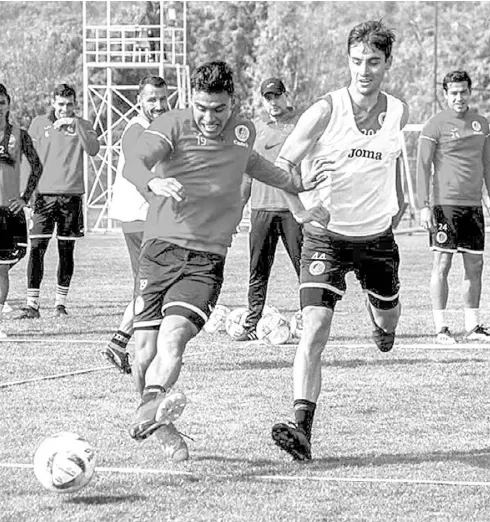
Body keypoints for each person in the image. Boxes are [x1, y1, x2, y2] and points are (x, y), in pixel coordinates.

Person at [122, 61, 330, 461]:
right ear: (191, 101)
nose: (208, 117)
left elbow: (252, 164)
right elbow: (135, 161)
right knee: (143, 353)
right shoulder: (172, 125)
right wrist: (153, 181)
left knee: (174, 336)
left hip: (205, 257)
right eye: (201, 107)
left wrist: (296, 185)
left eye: (218, 109)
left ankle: (152, 402)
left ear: (232, 103)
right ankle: (157, 420)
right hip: (159, 250)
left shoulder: (242, 129)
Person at [270, 20, 409, 461]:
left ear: (388, 62)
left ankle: (381, 324)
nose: (363, 71)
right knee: (314, 328)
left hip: (376, 239)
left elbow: (394, 164)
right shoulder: (326, 110)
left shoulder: (400, 112)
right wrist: (300, 204)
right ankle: (301, 428)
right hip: (325, 238)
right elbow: (281, 166)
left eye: (372, 62)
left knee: (388, 318)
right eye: (355, 62)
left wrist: (401, 204)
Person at [416, 70, 490, 345]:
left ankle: (473, 326)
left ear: (470, 92)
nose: (459, 97)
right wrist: (423, 206)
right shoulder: (434, 125)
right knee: (442, 263)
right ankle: (441, 329)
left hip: (473, 207)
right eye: (453, 93)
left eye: (463, 92)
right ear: (445, 95)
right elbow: (423, 166)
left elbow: (488, 165)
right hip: (444, 206)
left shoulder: (481, 124)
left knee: (475, 264)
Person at [104, 75, 169, 374]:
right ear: (140, 101)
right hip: (140, 217)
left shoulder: (157, 128)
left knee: (153, 283)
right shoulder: (136, 131)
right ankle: (122, 343)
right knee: (150, 285)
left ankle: (123, 342)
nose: (158, 104)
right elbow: (134, 169)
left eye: (162, 98)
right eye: (151, 99)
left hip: (148, 216)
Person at [20, 84, 99, 319]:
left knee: (66, 250)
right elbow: (29, 159)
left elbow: (94, 149)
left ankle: (60, 304)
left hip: (72, 197)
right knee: (36, 249)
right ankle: (32, 305)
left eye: (70, 105)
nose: (65, 109)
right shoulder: (39, 124)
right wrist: (27, 195)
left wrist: (76, 126)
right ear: (53, 103)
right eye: (61, 104)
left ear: (75, 105)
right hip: (43, 197)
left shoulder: (83, 125)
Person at [236, 78, 303, 341]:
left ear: (286, 96)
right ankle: (251, 323)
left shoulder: (299, 126)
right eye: (268, 97)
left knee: (305, 268)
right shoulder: (254, 130)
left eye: (277, 96)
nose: (273, 102)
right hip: (261, 210)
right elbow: (246, 175)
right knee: (258, 270)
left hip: (292, 210)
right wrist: (238, 209)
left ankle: (311, 320)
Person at [0, 84, 43, 336]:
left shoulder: (20, 134)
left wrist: (25, 198)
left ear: (8, 104)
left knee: (2, 267)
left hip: (8, 210)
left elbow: (36, 166)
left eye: (2, 101)